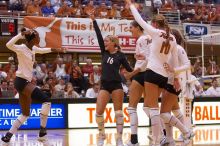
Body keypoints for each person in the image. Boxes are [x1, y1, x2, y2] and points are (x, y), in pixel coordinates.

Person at [125, 0, 179, 145]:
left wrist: (131, 5)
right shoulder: (172, 38)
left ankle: (158, 138)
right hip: (164, 76)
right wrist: (175, 78)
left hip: (152, 72)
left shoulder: (154, 33)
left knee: (152, 109)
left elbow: (139, 19)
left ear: (155, 24)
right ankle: (167, 136)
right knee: (151, 107)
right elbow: (174, 62)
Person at [1, 28, 65, 145]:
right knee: (46, 100)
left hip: (24, 82)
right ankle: (42, 132)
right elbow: (8, 44)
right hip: (21, 81)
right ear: (32, 39)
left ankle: (8, 136)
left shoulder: (33, 48)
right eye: (37, 36)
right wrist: (20, 35)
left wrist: (55, 49)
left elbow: (42, 50)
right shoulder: (21, 48)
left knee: (25, 114)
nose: (39, 37)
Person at [87, 9, 137, 146]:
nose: (105, 42)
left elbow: (129, 70)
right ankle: (101, 135)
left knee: (119, 113)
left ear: (114, 43)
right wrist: (94, 20)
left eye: (107, 41)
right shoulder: (104, 53)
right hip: (104, 85)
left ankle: (119, 138)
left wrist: (138, 71)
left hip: (116, 85)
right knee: (98, 112)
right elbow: (98, 35)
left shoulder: (121, 56)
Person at [160, 29, 194, 145]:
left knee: (164, 114)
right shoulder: (168, 50)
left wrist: (174, 71)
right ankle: (169, 139)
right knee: (173, 112)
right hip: (167, 82)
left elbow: (187, 65)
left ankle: (186, 132)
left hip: (174, 83)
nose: (166, 37)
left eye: (169, 35)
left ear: (174, 37)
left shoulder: (179, 49)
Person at [126, 20, 151, 146]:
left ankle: (134, 140)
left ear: (137, 27)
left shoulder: (141, 39)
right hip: (149, 74)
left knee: (131, 107)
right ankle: (163, 134)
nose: (129, 30)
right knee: (149, 108)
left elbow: (145, 61)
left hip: (141, 74)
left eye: (131, 27)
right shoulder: (148, 38)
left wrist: (132, 74)